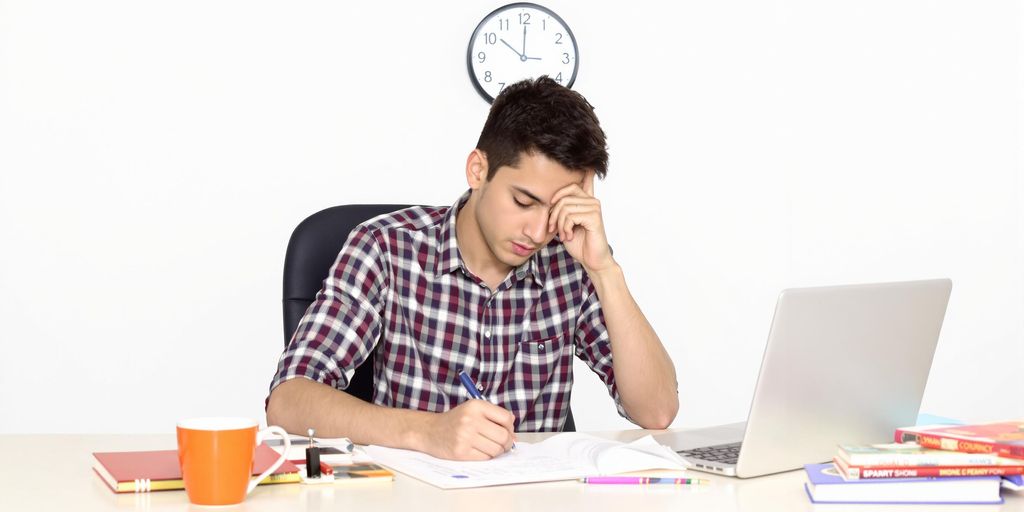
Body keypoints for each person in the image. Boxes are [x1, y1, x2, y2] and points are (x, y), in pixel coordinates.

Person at [266, 76, 677, 461]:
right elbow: (288, 403)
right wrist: (427, 432)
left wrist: (604, 269)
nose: (537, 232)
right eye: (523, 202)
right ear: (478, 170)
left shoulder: (573, 262)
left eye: (555, 211)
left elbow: (657, 412)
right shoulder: (386, 248)